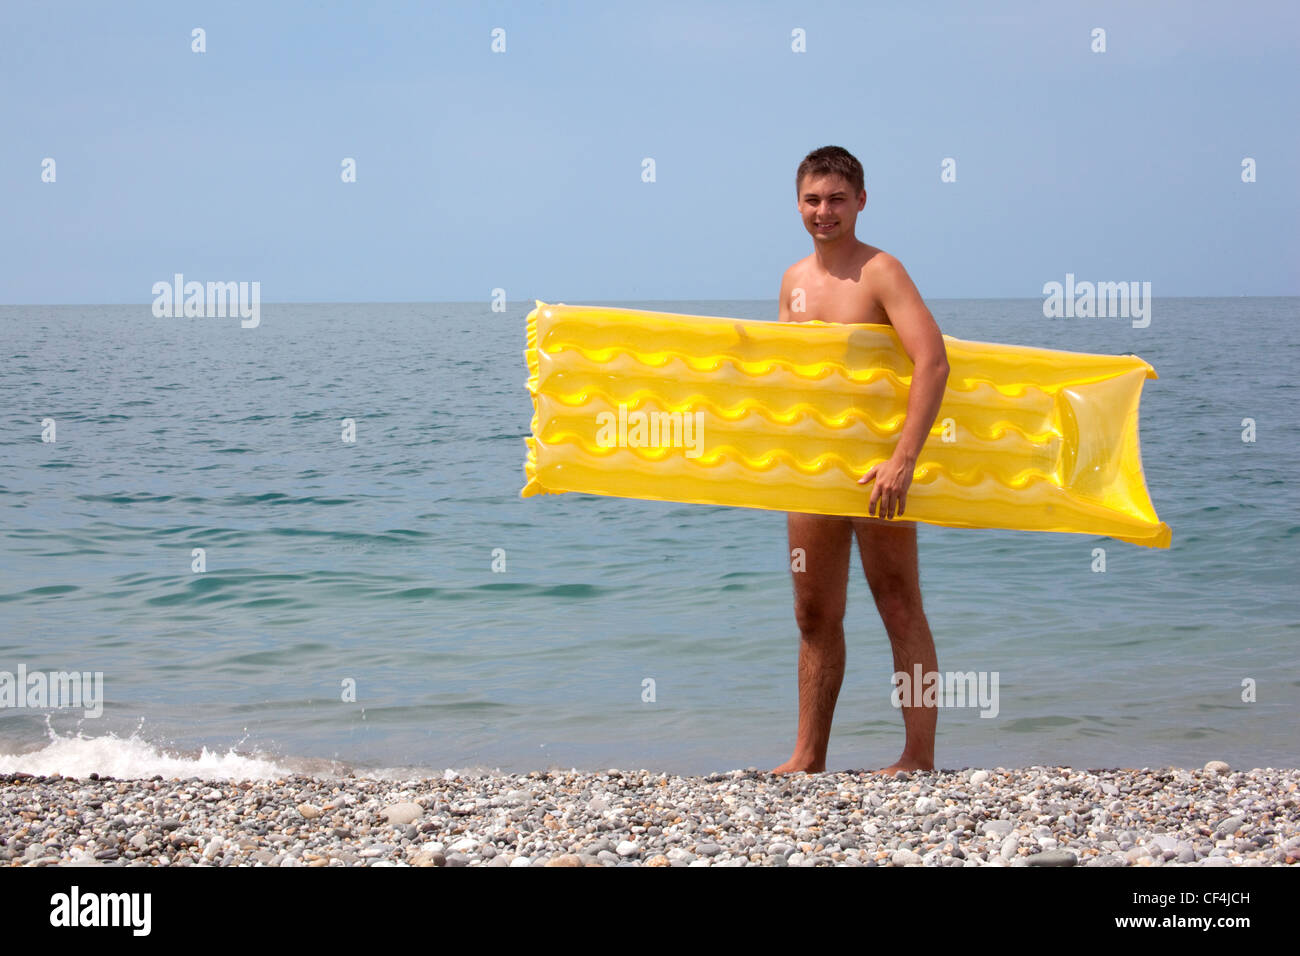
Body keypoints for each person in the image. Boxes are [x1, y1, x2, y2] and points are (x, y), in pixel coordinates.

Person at [770, 146, 950, 776]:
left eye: (837, 199)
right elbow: (789, 381)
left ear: (861, 202)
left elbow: (932, 362)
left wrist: (904, 458)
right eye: (813, 200)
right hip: (812, 472)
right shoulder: (793, 280)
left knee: (899, 605)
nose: (825, 211)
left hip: (880, 473)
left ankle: (917, 755)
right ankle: (807, 754)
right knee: (813, 613)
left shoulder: (882, 272)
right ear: (798, 204)